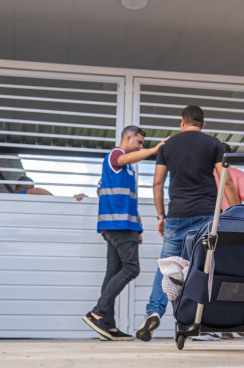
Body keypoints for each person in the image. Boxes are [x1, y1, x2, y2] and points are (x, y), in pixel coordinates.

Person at [135, 105, 239, 341]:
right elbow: (228, 182)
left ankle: (154, 311)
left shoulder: (168, 145)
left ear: (182, 121)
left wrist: (161, 215)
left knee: (168, 266)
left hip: (176, 214)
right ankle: (202, 323)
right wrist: (234, 213)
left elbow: (157, 184)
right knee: (203, 266)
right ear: (203, 124)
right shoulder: (214, 144)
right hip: (206, 214)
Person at [82, 126, 167, 341]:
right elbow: (123, 161)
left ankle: (107, 325)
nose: (140, 146)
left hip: (121, 226)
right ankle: (98, 312)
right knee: (131, 269)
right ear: (127, 138)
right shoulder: (116, 156)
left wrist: (137, 227)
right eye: (138, 142)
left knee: (113, 273)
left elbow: (128, 200)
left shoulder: (127, 169)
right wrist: (153, 150)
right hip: (118, 226)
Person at [213, 142, 244, 210]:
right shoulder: (238, 174)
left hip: (211, 217)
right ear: (230, 156)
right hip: (232, 216)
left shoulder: (208, 174)